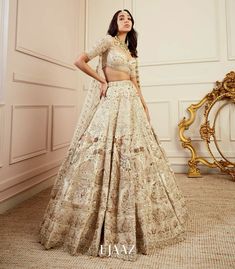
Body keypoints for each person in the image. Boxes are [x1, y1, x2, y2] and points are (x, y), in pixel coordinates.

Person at [39, 9, 188, 261]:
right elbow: (79, 60)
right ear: (114, 23)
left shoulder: (131, 52)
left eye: (129, 18)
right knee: (101, 155)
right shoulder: (107, 42)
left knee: (136, 156)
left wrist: (144, 104)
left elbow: (136, 82)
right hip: (113, 101)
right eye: (121, 17)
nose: (126, 20)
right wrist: (102, 80)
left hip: (132, 103)